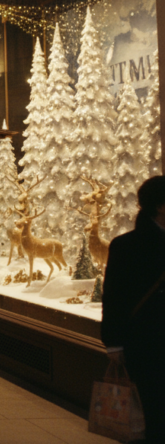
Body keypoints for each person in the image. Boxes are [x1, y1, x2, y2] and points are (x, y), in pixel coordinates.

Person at [103, 176, 165, 443]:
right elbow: (114, 297)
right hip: (147, 343)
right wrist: (114, 344)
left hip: (148, 342)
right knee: (154, 411)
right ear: (161, 207)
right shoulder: (127, 245)